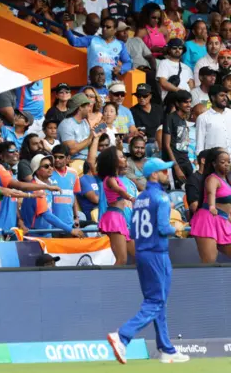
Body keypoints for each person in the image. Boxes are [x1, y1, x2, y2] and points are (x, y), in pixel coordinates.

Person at [107, 158, 189, 365]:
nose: (167, 174)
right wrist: (178, 228)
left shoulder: (140, 198)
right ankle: (123, 336)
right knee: (156, 301)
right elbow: (163, 229)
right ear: (155, 174)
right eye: (164, 171)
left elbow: (133, 231)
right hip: (157, 254)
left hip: (143, 253)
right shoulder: (161, 198)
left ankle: (166, 349)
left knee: (157, 301)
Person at [189, 148, 231, 263]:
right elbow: (210, 193)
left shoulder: (226, 180)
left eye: (229, 162)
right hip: (207, 221)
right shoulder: (212, 179)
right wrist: (212, 206)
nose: (226, 165)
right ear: (213, 164)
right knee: (209, 262)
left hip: (222, 220)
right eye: (223, 162)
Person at [64, 17, 132, 86]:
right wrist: (67, 26)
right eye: (103, 26)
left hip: (110, 85)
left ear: (115, 30)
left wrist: (121, 69)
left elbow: (128, 62)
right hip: (93, 84)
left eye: (108, 27)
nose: (104, 29)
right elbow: (74, 42)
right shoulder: (91, 39)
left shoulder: (120, 44)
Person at [97, 146, 136, 265]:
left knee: (138, 256)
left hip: (120, 218)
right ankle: (110, 283)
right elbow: (119, 190)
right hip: (114, 218)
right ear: (113, 161)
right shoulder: (109, 179)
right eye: (121, 157)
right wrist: (131, 198)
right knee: (122, 259)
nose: (124, 159)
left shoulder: (116, 178)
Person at [162, 90, 193, 188]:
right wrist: (176, 167)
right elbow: (166, 145)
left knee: (193, 188)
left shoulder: (183, 119)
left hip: (185, 161)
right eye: (185, 102)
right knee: (176, 192)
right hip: (174, 164)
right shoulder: (170, 118)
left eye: (189, 102)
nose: (189, 105)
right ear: (177, 104)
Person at [195, 84, 231, 155]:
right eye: (221, 95)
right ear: (213, 97)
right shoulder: (203, 118)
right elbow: (200, 145)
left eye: (225, 95)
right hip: (213, 162)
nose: (225, 98)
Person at [58, 93, 93, 160]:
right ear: (80, 107)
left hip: (88, 158)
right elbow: (72, 150)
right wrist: (90, 138)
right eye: (88, 106)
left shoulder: (84, 121)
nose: (90, 109)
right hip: (75, 161)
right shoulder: (66, 125)